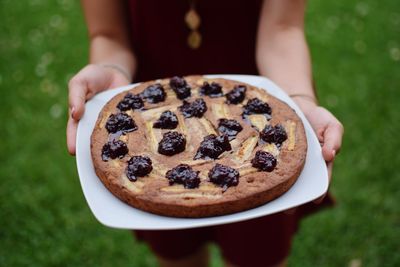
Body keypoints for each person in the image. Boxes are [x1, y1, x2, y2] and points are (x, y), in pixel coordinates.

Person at [67, 1, 344, 266]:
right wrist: (109, 74)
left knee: (258, 253)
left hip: (257, 113)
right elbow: (108, 35)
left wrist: (299, 100)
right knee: (177, 254)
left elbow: (282, 29)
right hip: (146, 113)